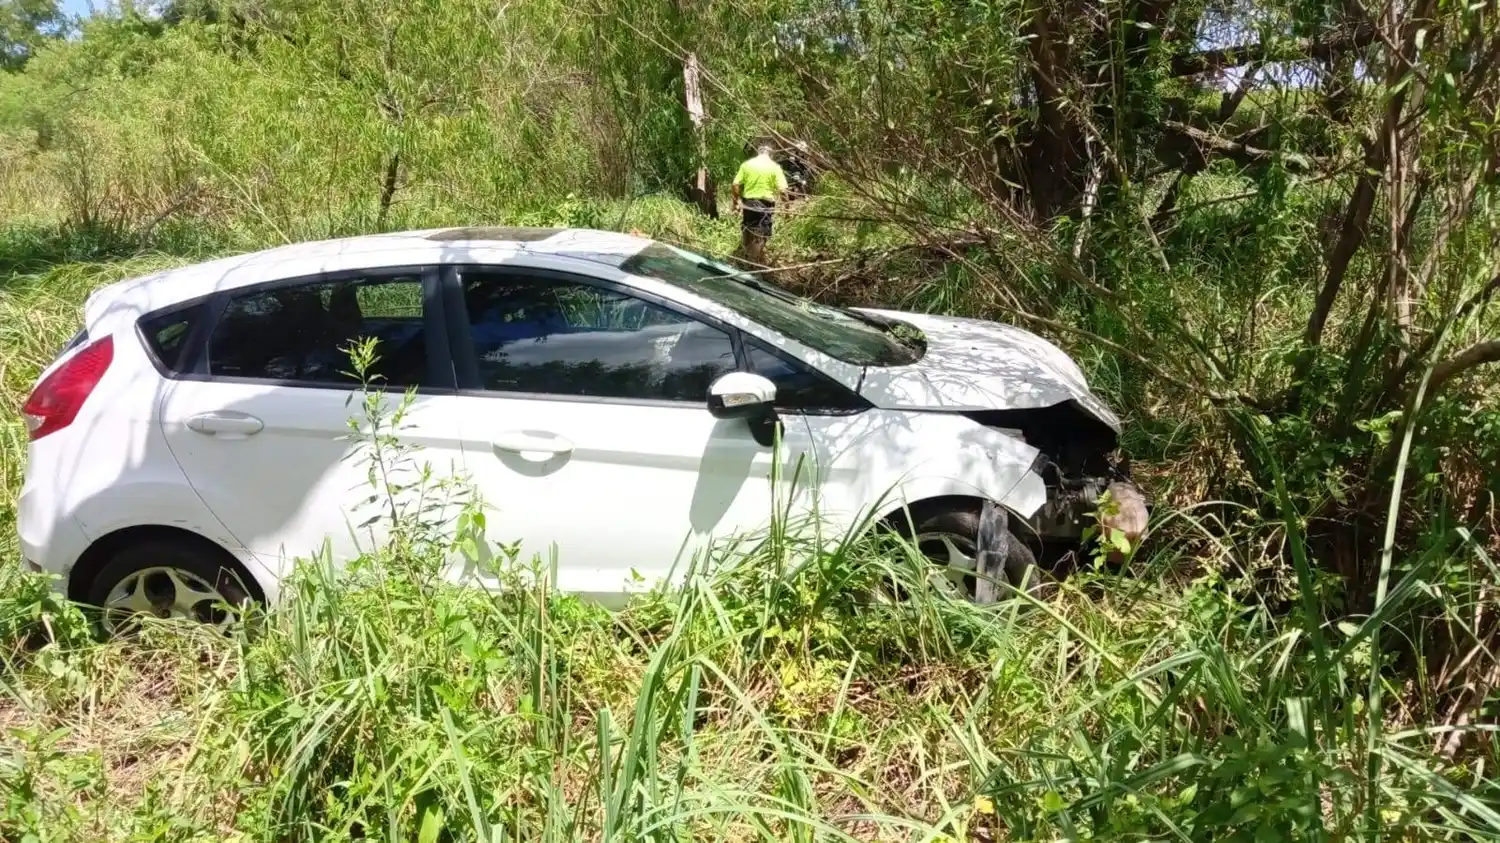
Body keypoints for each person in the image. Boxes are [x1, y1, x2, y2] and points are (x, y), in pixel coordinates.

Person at [730, 141, 788, 265]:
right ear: (770, 154)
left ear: (758, 152)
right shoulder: (775, 167)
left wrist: (735, 202)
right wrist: (787, 208)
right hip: (765, 205)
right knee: (762, 233)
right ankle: (753, 262)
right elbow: (783, 191)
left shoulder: (747, 165)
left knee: (747, 227)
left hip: (748, 203)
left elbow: (735, 184)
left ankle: (746, 256)